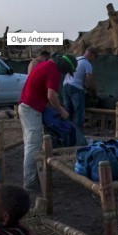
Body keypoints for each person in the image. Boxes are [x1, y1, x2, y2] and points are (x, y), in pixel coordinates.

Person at [17, 53, 76, 190]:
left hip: (26, 106)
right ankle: (30, 182)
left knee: (31, 144)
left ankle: (33, 177)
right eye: (67, 71)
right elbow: (51, 95)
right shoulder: (53, 70)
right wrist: (61, 111)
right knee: (33, 145)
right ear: (64, 66)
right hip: (31, 108)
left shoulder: (45, 65)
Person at [62, 47, 97, 134]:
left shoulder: (75, 60)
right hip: (76, 88)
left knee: (67, 112)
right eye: (94, 57)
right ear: (92, 55)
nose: (94, 59)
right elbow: (89, 78)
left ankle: (67, 133)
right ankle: (78, 134)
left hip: (65, 86)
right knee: (79, 113)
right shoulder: (86, 63)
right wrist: (95, 89)